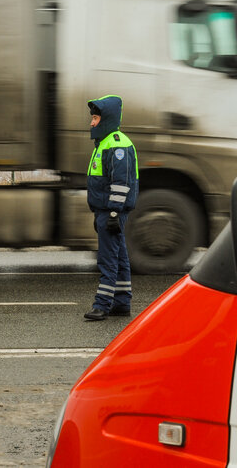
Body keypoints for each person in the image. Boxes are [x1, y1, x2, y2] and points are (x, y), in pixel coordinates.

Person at [83, 95, 139, 321]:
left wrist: (114, 212)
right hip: (105, 210)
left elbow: (121, 183)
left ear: (106, 118)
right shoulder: (106, 143)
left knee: (107, 258)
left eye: (95, 118)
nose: (91, 123)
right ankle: (122, 302)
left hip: (111, 210)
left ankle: (102, 305)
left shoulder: (117, 145)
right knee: (120, 257)